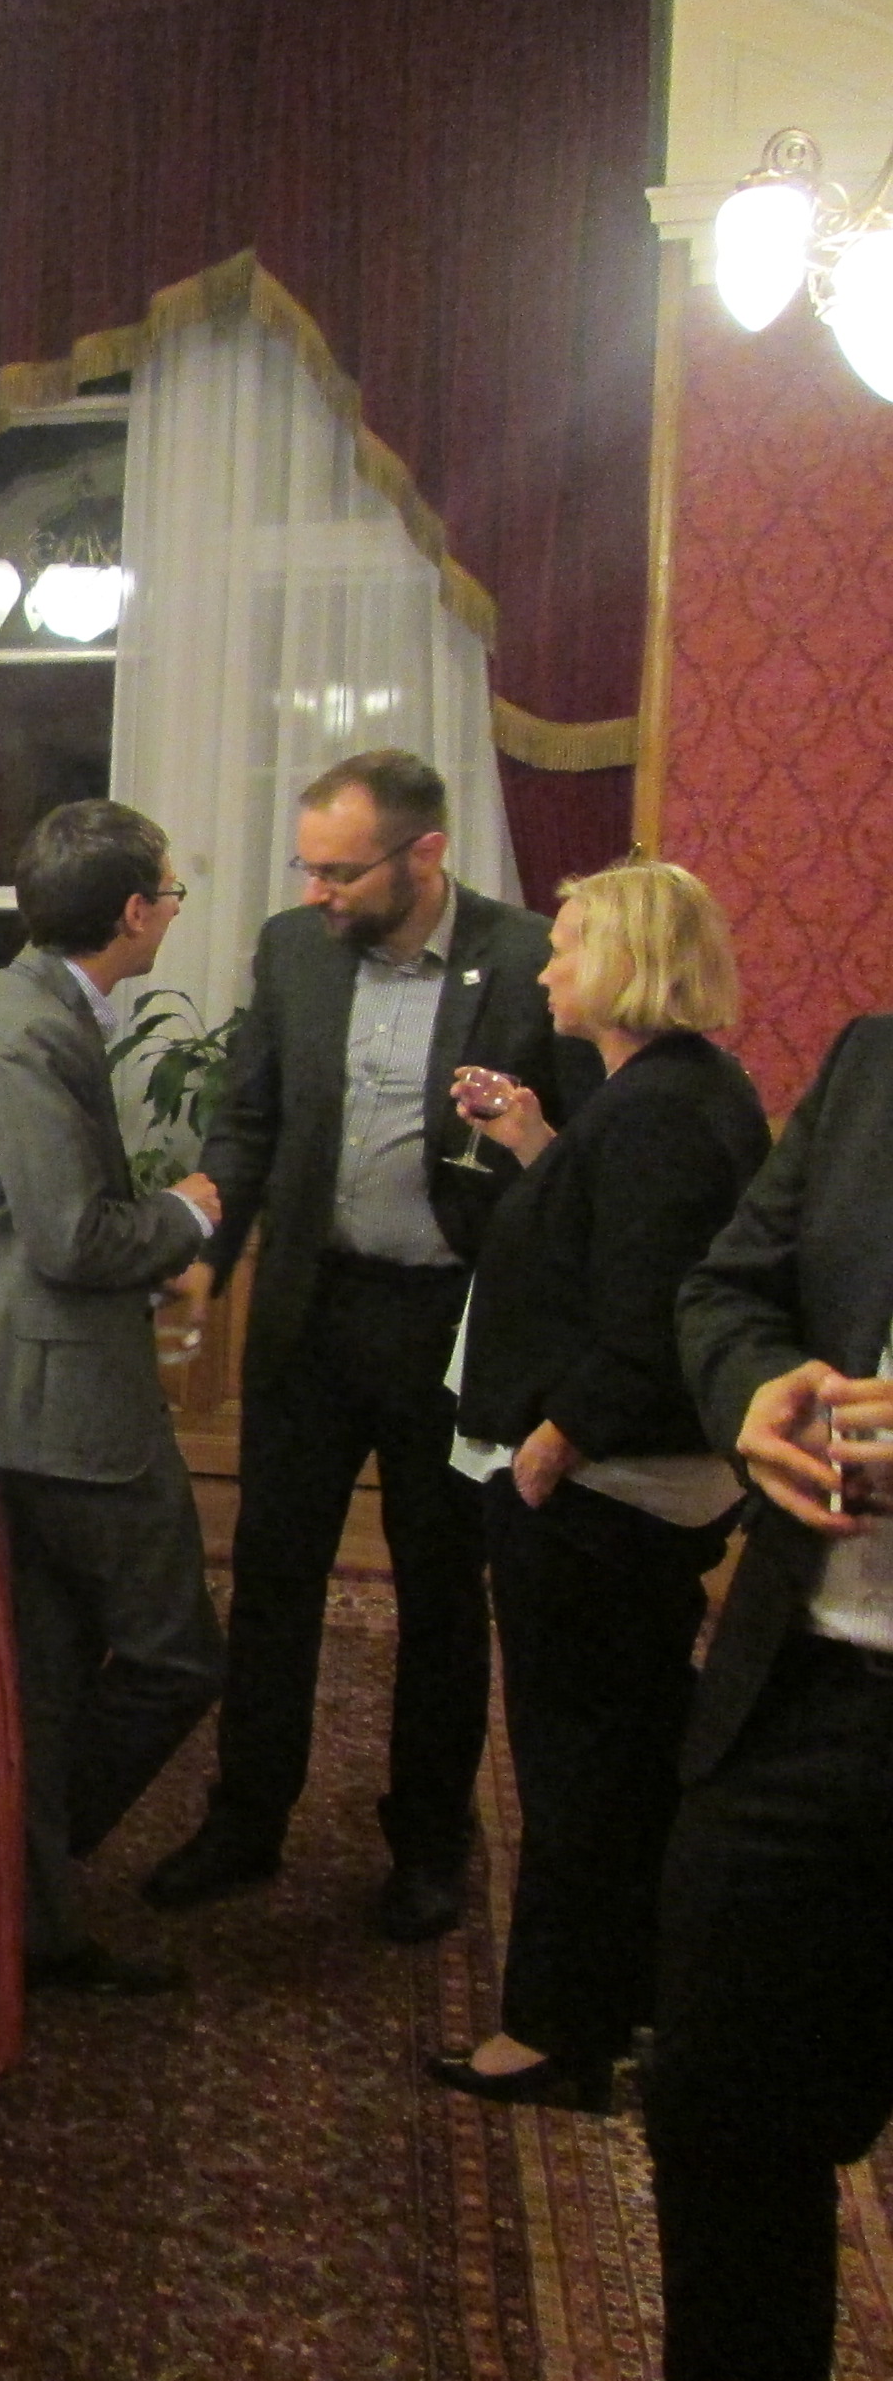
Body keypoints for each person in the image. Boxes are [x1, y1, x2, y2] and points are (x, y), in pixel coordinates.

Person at [145, 749, 584, 1944]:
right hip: (313, 1310)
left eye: (343, 870)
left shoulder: (533, 957)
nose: (321, 891)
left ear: (426, 854)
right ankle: (246, 1820)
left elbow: (579, 1154)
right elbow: (251, 1118)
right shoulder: (294, 951)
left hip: (452, 1324)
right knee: (273, 1581)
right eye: (312, 867)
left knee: (442, 1593)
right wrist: (207, 1245)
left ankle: (429, 1845)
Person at [413, 861, 766, 2116]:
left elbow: (655, 1317)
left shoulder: (662, 1109)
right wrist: (533, 1146)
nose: (548, 968)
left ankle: (557, 2032)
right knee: (625, 1754)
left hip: (603, 1492)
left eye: (566, 948)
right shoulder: (665, 1094)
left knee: (577, 1776)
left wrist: (552, 1443)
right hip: (624, 1486)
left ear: (621, 963)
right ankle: (639, 1994)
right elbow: (620, 1238)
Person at [0, 799, 225, 1997]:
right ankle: (12, 1868)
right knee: (174, 1657)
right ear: (136, 915)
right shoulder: (33, 1030)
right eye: (174, 893)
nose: (175, 911)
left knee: (47, 1677)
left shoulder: (29, 1004)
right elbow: (71, 1236)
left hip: (8, 1389)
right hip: (59, 1405)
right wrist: (187, 1213)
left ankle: (30, 1908)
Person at [645, 1010, 893, 2380]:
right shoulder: (875, 1060)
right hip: (805, 1695)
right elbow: (729, 1287)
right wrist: (751, 1387)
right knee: (723, 2120)